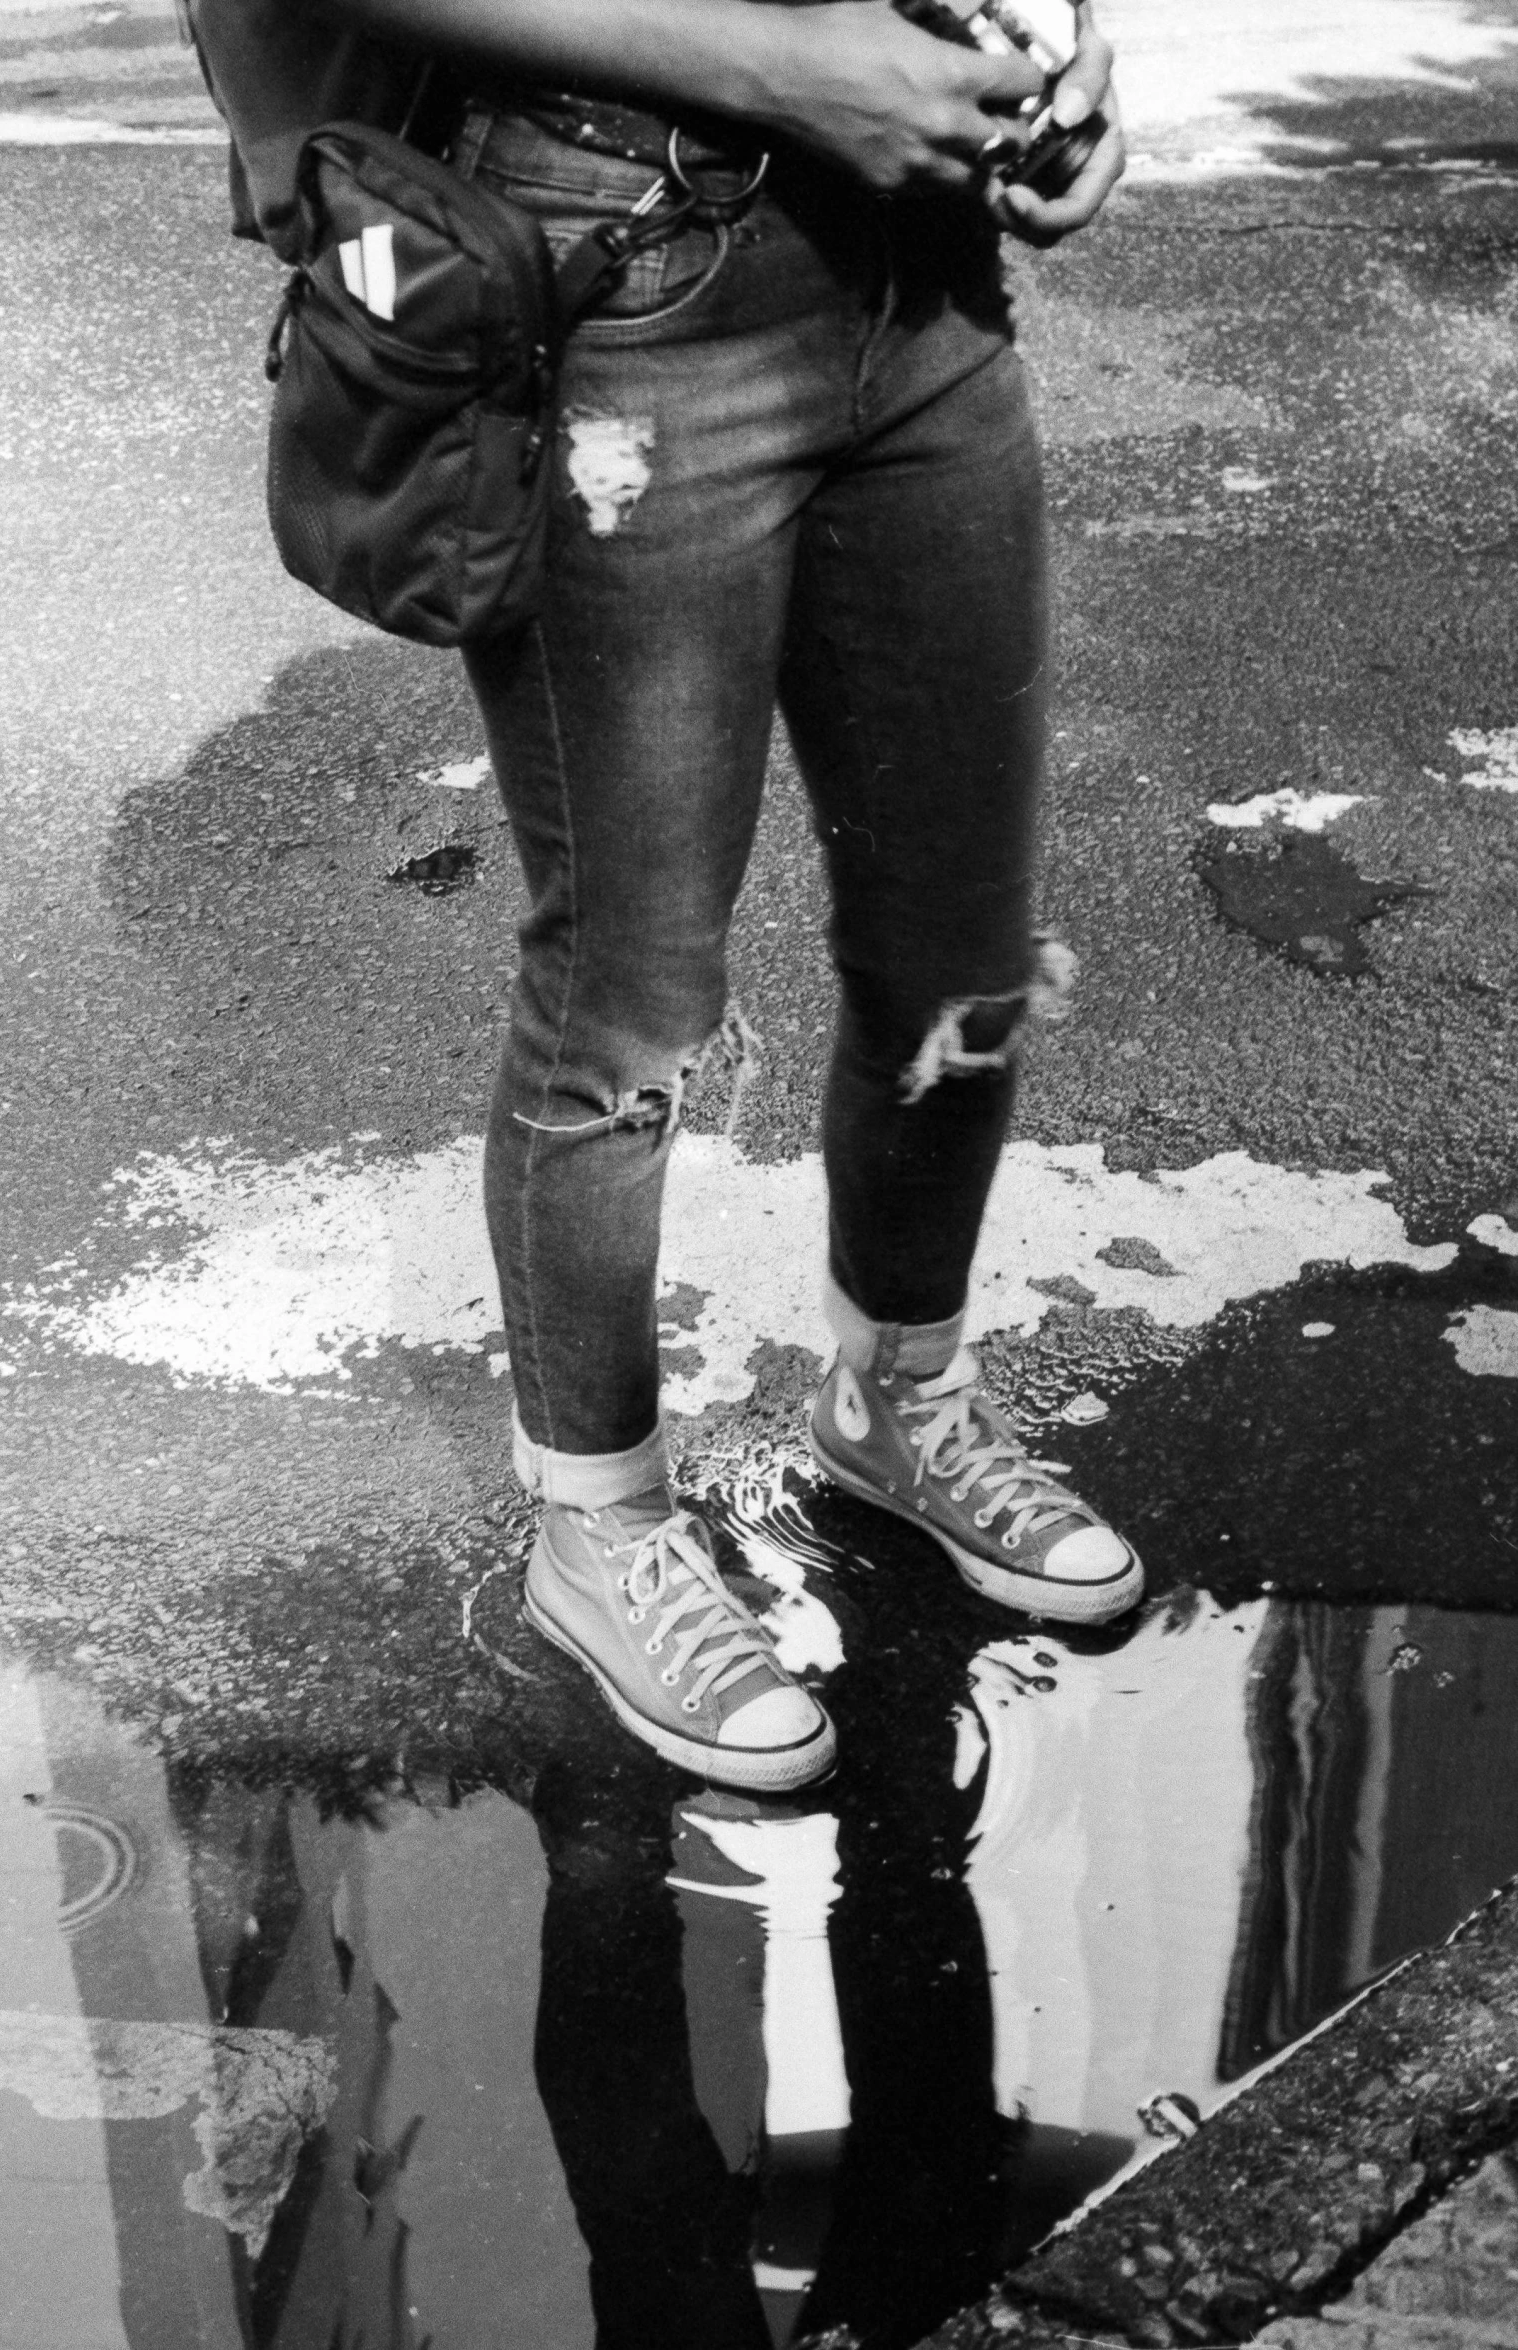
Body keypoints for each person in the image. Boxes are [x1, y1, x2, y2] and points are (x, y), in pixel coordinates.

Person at [342, 0, 1143, 1792]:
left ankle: (897, 1396)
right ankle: (599, 1525)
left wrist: (1062, 54)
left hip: (925, 286)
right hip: (620, 276)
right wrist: (789, 74)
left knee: (958, 952)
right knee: (626, 996)